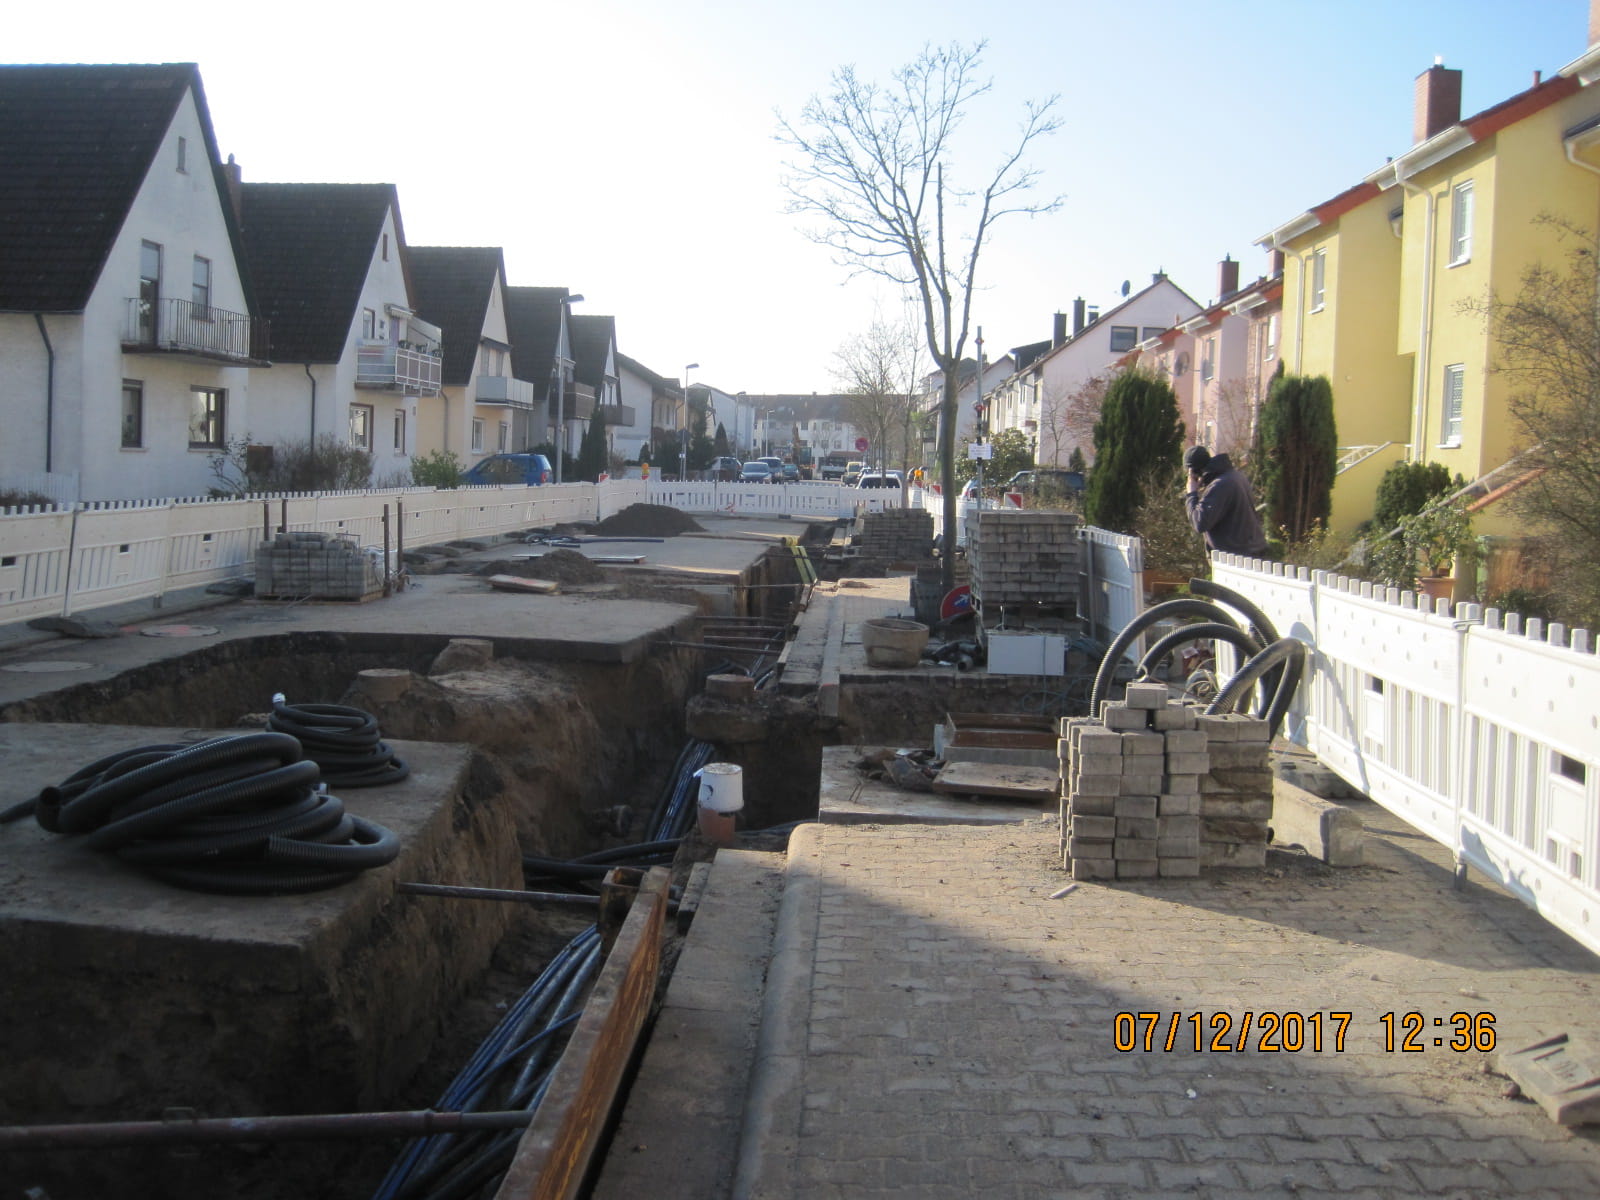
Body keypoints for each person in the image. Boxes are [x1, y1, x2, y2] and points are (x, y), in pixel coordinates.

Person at [1183, 445, 1268, 558]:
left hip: (1237, 559)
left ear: (1192, 471)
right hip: (1250, 552)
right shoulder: (1235, 476)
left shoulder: (1219, 485)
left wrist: (1192, 494)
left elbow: (1200, 523)